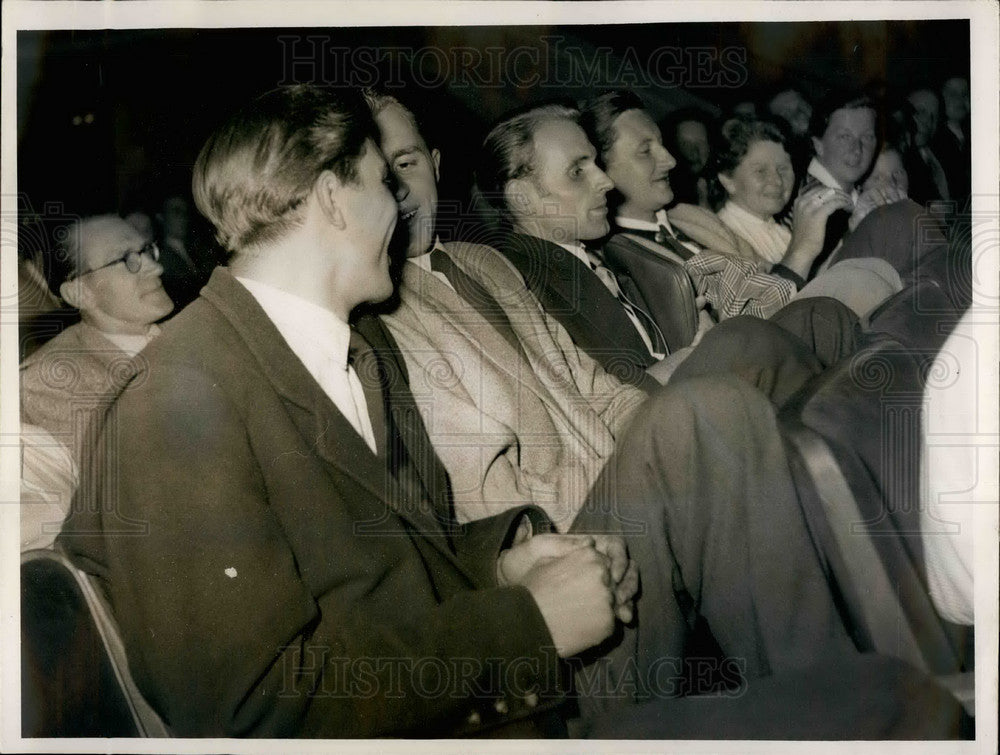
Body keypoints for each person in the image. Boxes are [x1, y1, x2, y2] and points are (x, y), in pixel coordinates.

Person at [58, 85, 966, 741]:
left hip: (488, 675)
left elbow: (396, 566)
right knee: (889, 698)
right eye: (382, 181)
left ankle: (848, 691)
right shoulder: (177, 400)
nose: (402, 205)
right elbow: (244, 712)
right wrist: (524, 620)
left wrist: (501, 556)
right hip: (482, 707)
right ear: (333, 197)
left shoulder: (340, 354)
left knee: (712, 420)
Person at [366, 88, 645, 529]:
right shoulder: (380, 317)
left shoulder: (485, 262)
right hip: (573, 529)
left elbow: (601, 393)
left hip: (626, 485)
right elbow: (492, 499)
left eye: (406, 164)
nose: (399, 191)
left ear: (436, 165)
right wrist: (636, 484)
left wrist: (661, 441)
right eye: (381, 175)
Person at [20, 214, 173, 488]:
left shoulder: (187, 332)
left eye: (148, 250)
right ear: (80, 293)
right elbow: (136, 485)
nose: (155, 268)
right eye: (127, 259)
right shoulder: (53, 379)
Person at [903, 88, 951, 205]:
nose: (928, 121)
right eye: (920, 112)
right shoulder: (898, 161)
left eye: (934, 116)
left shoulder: (943, 156)